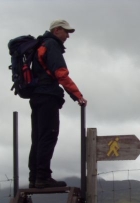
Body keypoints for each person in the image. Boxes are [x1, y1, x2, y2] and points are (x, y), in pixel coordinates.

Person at [28, 19, 87, 189]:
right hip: (48, 96)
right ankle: (43, 177)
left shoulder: (40, 45)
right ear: (57, 30)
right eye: (66, 32)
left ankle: (34, 178)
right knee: (48, 136)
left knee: (38, 138)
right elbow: (61, 74)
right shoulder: (52, 45)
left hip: (36, 96)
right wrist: (77, 96)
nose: (68, 36)